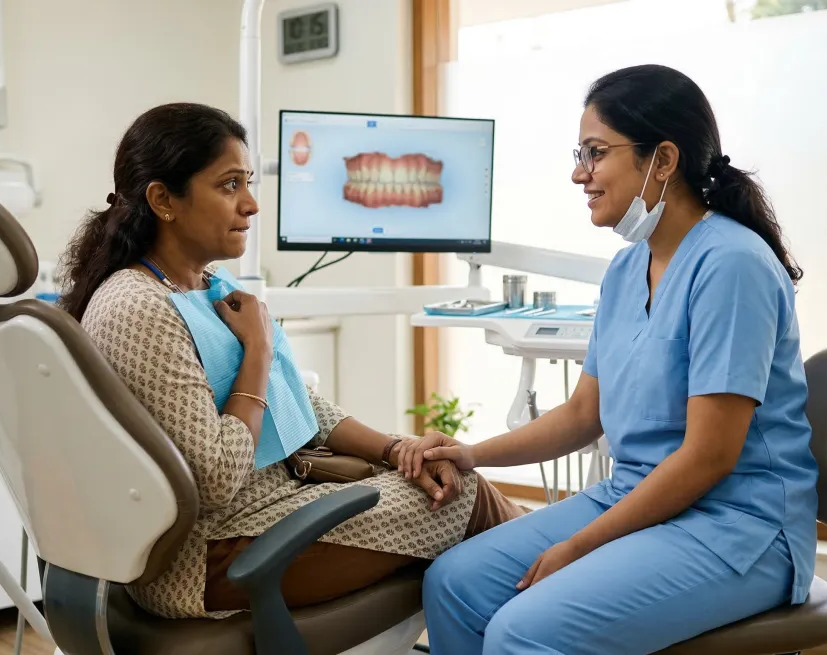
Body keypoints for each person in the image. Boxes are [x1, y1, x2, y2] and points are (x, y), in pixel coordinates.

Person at [56, 102, 525, 620]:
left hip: (271, 513)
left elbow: (295, 404)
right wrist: (256, 350)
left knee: (439, 477)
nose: (252, 204)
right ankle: (573, 591)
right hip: (207, 556)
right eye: (230, 185)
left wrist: (398, 450)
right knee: (461, 497)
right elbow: (215, 480)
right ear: (164, 200)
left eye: (248, 182)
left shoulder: (212, 287)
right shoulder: (136, 307)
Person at [409, 64, 820, 654]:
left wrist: (579, 547)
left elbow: (708, 458)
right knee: (453, 584)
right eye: (580, 153)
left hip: (738, 526)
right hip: (636, 495)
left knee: (523, 629)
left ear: (664, 160)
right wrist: (470, 455)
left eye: (595, 153)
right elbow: (583, 415)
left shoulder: (732, 265)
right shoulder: (627, 270)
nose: (579, 174)